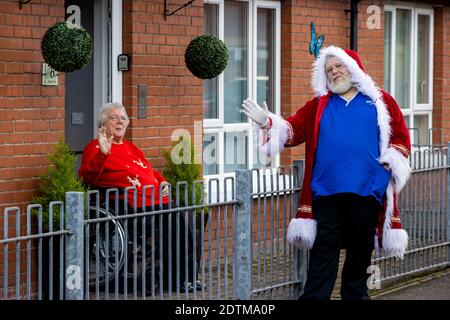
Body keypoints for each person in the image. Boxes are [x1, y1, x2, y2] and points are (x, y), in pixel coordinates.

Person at [241, 46, 411, 300]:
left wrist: (391, 160)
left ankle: (356, 296)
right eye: (329, 69)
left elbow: (400, 136)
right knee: (323, 255)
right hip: (327, 194)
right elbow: (293, 130)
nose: (333, 72)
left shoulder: (380, 101)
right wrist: (268, 122)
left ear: (352, 68)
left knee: (360, 254)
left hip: (367, 193)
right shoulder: (318, 105)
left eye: (338, 66)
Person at [79, 102, 200, 292]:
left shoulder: (131, 147)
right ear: (102, 125)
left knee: (193, 216)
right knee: (175, 221)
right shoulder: (94, 147)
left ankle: (186, 277)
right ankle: (176, 280)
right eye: (114, 118)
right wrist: (103, 153)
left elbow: (148, 171)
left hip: (156, 200)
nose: (120, 121)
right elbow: (86, 178)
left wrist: (163, 182)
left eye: (123, 117)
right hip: (129, 205)